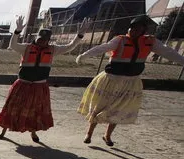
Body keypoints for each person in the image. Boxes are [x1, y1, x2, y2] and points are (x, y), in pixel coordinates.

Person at [76, 14, 184, 146]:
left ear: (144, 31)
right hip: (111, 80)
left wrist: (182, 61)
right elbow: (103, 48)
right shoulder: (119, 40)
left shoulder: (150, 42)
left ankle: (107, 136)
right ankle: (89, 133)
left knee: (119, 110)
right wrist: (84, 56)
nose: (134, 31)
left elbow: (168, 52)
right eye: (133, 28)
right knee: (99, 106)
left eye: (138, 29)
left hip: (131, 82)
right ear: (129, 28)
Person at [0, 16, 90, 142]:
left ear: (48, 40)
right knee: (13, 108)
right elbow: (13, 44)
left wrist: (79, 35)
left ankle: (33, 133)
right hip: (22, 84)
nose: (41, 42)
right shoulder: (26, 48)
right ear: (36, 37)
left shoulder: (53, 49)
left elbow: (70, 46)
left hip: (40, 86)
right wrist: (17, 32)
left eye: (44, 40)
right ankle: (4, 130)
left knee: (35, 111)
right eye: (40, 39)